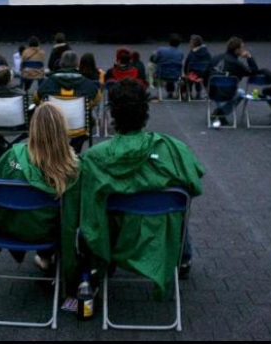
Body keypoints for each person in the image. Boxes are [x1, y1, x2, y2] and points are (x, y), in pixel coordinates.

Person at [78, 79, 205, 297]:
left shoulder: (93, 158)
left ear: (114, 114)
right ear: (145, 111)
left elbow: (87, 205)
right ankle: (183, 258)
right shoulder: (175, 150)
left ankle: (93, 272)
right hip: (159, 236)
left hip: (117, 236)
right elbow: (194, 185)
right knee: (177, 200)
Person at [0, 103, 81, 299]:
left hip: (9, 230)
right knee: (51, 214)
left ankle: (44, 258)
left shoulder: (13, 156)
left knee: (29, 211)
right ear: (63, 130)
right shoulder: (73, 168)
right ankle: (48, 257)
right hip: (49, 234)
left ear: (33, 128)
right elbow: (76, 216)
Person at [206, 37, 259, 125]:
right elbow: (254, 71)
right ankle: (221, 113)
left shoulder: (215, 58)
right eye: (242, 48)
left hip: (212, 92)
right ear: (237, 50)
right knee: (241, 92)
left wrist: (207, 88)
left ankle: (220, 112)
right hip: (228, 94)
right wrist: (249, 57)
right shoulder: (237, 64)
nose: (243, 50)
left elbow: (205, 74)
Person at [181, 35, 212, 100]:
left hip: (193, 75)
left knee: (189, 76)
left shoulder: (192, 53)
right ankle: (199, 92)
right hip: (205, 75)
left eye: (190, 42)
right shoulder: (206, 52)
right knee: (200, 73)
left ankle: (188, 93)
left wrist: (186, 73)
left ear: (193, 44)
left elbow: (186, 65)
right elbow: (211, 63)